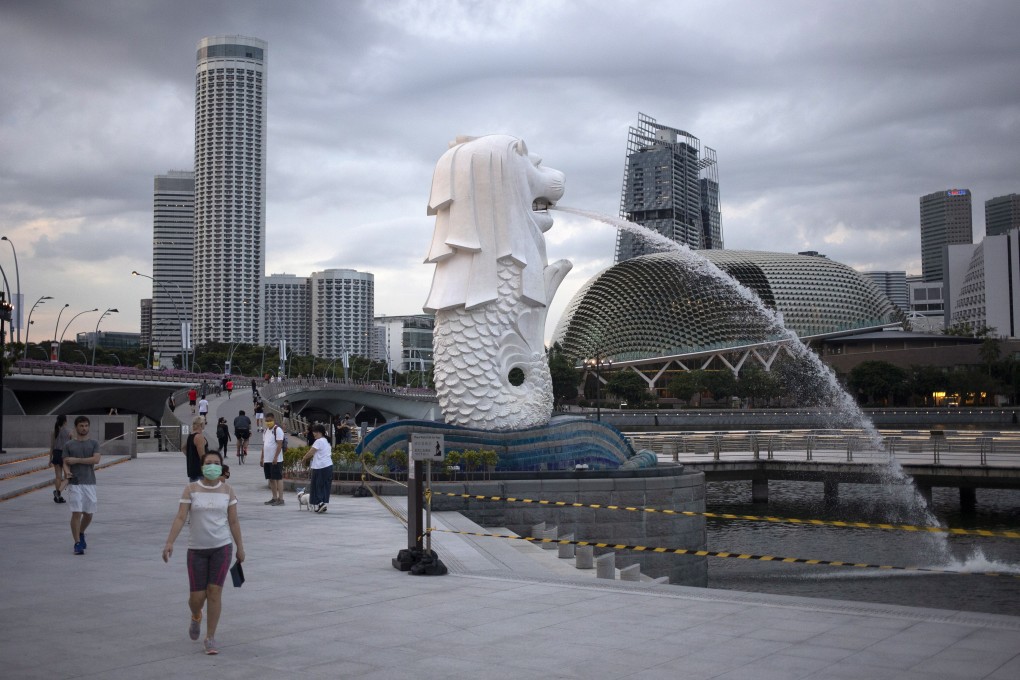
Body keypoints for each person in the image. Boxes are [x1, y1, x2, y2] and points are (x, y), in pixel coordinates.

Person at [162, 450, 245, 656]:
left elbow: (234, 521)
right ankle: (196, 615)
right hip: (196, 549)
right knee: (197, 598)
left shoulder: (228, 490)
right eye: (208, 463)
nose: (212, 466)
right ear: (202, 466)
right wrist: (170, 542)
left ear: (221, 467)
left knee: (214, 592)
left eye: (216, 463)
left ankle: (210, 637)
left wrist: (240, 547)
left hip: (221, 547)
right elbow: (180, 517)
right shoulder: (191, 489)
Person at [62, 416, 101, 555]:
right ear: (76, 427)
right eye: (81, 426)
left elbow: (96, 459)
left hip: (89, 482)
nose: (84, 428)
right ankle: (77, 543)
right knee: (76, 512)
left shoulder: (94, 443)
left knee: (89, 514)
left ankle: (81, 532)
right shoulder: (69, 445)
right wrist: (67, 472)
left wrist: (77, 460)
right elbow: (65, 462)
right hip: (75, 483)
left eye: (86, 426)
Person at [300, 423, 333, 513]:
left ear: (320, 432)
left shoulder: (319, 441)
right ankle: (322, 504)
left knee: (317, 486)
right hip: (328, 466)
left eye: (315, 432)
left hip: (320, 467)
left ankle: (321, 503)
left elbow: (311, 452)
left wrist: (304, 459)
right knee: (324, 486)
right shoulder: (326, 441)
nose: (314, 434)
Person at [260, 414, 285, 506]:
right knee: (271, 478)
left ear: (273, 420)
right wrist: (262, 458)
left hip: (276, 459)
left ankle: (281, 499)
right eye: (267, 421)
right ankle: (274, 497)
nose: (268, 422)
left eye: (270, 420)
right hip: (267, 459)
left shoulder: (277, 430)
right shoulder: (265, 431)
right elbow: (264, 445)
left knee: (278, 478)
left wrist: (275, 457)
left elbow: (279, 444)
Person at [49, 415, 70, 503]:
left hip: (56, 454)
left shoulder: (54, 431)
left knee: (58, 477)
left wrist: (50, 459)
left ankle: (58, 496)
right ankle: (58, 493)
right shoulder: (69, 432)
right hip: (65, 455)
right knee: (68, 476)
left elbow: (52, 446)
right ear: (65, 421)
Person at [183, 417, 208, 483]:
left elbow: (183, 448)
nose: (205, 424)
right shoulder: (199, 437)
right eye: (204, 423)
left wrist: (191, 457)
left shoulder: (191, 435)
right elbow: (202, 456)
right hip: (200, 472)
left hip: (193, 470)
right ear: (201, 424)